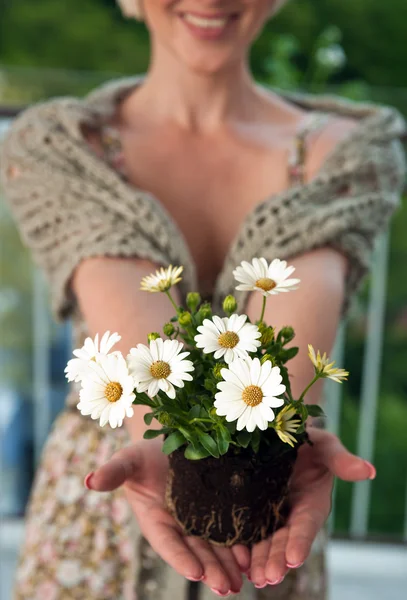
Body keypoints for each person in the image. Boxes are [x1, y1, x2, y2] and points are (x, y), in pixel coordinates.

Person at [1, 0, 405, 598]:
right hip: (97, 521)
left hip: (270, 513)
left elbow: (290, 337)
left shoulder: (352, 156)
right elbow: (136, 334)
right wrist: (158, 436)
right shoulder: (58, 147)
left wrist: (274, 454)